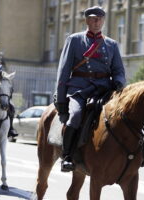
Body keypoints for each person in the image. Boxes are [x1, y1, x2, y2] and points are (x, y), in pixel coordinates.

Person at [54, 6, 126, 172]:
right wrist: (61, 98)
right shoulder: (74, 40)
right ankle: (68, 156)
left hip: (104, 89)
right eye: (93, 18)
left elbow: (118, 71)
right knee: (75, 116)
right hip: (79, 88)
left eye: (100, 19)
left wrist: (119, 82)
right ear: (86, 20)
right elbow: (64, 71)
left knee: (123, 116)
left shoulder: (111, 44)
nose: (97, 21)